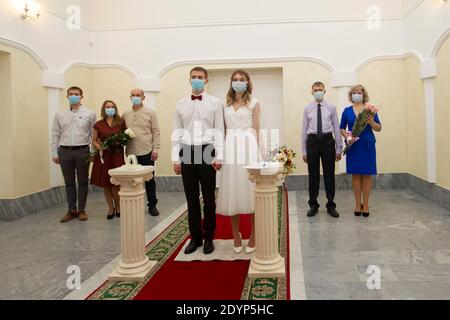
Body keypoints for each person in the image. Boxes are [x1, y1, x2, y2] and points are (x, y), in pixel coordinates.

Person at [172, 67, 224, 255]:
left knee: (209, 198)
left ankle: (209, 236)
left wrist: (219, 156)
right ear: (189, 79)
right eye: (194, 77)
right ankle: (195, 237)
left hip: (207, 149)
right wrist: (176, 158)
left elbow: (219, 130)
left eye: (200, 77)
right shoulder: (180, 104)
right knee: (191, 198)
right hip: (186, 151)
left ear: (206, 80)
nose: (196, 80)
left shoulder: (215, 103)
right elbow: (177, 131)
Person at [216, 69, 262, 254]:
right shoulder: (224, 105)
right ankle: (236, 234)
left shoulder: (254, 103)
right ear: (231, 83)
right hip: (230, 148)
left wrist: (260, 156)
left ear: (247, 82)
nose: (238, 82)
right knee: (232, 191)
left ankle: (254, 234)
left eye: (242, 79)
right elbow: (222, 131)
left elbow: (257, 130)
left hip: (248, 147)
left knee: (250, 191)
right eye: (235, 79)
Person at [51, 86, 97, 223]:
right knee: (69, 182)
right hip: (64, 151)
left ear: (81, 96)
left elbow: (94, 135)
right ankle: (71, 210)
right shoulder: (60, 114)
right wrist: (54, 152)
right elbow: (55, 134)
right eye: (71, 94)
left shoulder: (90, 113)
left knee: (83, 181)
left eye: (76, 94)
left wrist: (93, 152)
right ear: (67, 96)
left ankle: (81, 210)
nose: (73, 96)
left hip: (83, 150)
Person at [301, 82, 343, 218]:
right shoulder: (308, 108)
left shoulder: (331, 107)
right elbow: (304, 130)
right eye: (315, 90)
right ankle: (313, 204)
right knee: (313, 174)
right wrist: (304, 151)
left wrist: (338, 148)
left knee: (329, 174)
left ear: (325, 91)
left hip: (327, 141)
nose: (318, 92)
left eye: (320, 89)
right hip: (312, 141)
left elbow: (336, 128)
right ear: (311, 92)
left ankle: (331, 204)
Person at [340, 85, 382, 218]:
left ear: (364, 95)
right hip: (354, 146)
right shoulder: (346, 111)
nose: (357, 95)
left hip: (367, 145)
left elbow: (379, 128)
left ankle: (366, 204)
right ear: (351, 95)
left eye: (359, 93)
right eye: (354, 93)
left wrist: (371, 123)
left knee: (367, 175)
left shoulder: (370, 110)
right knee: (356, 175)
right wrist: (348, 137)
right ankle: (358, 204)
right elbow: (342, 128)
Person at [122, 89, 161, 216]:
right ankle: (134, 205)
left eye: (138, 95)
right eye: (133, 95)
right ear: (130, 97)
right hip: (131, 152)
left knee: (149, 180)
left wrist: (156, 149)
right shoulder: (125, 114)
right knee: (132, 180)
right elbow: (122, 131)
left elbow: (156, 131)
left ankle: (152, 205)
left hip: (147, 150)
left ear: (143, 97)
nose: (135, 97)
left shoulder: (150, 113)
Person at [90, 100, 126, 220]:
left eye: (112, 107)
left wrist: (120, 140)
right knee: (106, 183)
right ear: (103, 109)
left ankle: (119, 207)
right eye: (107, 107)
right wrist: (100, 146)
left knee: (116, 182)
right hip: (104, 156)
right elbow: (94, 140)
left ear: (115, 108)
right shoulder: (98, 124)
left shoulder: (120, 122)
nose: (110, 108)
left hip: (117, 155)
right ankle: (111, 208)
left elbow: (126, 136)